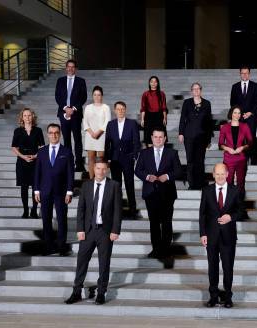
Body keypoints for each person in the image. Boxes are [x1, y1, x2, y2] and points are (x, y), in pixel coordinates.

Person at [65, 159, 122, 305]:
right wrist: (80, 229)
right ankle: (76, 291)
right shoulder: (87, 185)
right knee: (81, 262)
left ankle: (101, 293)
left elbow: (117, 211)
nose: (100, 171)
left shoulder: (114, 186)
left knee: (104, 263)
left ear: (107, 170)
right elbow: (81, 209)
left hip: (105, 231)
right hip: (88, 231)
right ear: (94, 168)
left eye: (103, 169)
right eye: (98, 168)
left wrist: (115, 230)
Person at [199, 163, 243, 308]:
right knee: (212, 267)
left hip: (228, 236)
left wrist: (230, 217)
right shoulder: (206, 190)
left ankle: (228, 296)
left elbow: (240, 211)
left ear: (227, 174)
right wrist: (203, 233)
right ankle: (213, 296)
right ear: (213, 175)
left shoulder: (235, 190)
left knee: (228, 267)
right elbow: (202, 214)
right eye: (217, 174)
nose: (219, 176)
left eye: (222, 173)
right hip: (211, 236)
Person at [135, 127, 182, 260]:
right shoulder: (144, 153)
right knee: (154, 223)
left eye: (161, 137)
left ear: (165, 139)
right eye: (155, 137)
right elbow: (138, 170)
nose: (158, 139)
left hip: (167, 193)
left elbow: (178, 171)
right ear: (151, 138)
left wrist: (167, 176)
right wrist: (147, 176)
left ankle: (166, 250)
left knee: (167, 222)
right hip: (150, 193)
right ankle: (156, 249)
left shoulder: (172, 153)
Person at [34, 123, 74, 256]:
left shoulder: (67, 151)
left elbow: (70, 173)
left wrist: (69, 191)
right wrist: (36, 190)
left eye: (56, 132)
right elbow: (37, 172)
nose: (54, 135)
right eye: (51, 133)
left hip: (61, 192)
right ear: (47, 134)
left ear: (60, 134)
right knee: (46, 219)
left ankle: (62, 246)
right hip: (45, 191)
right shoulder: (42, 151)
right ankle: (48, 246)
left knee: (62, 219)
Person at [104, 101, 142, 217]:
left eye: (122, 109)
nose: (120, 111)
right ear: (115, 111)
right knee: (116, 185)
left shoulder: (132, 124)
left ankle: (132, 209)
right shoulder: (110, 124)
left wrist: (135, 156)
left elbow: (136, 141)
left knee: (129, 184)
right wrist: (107, 158)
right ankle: (117, 210)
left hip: (128, 158)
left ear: (125, 110)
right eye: (118, 109)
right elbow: (107, 143)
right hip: (115, 160)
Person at [11, 108, 44, 218]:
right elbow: (14, 148)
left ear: (33, 116)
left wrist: (35, 156)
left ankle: (34, 210)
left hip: (36, 161)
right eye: (25, 115)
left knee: (35, 187)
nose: (27, 117)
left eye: (29, 115)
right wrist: (23, 157)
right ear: (22, 117)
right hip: (22, 161)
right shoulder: (18, 131)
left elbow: (42, 147)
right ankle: (25, 210)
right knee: (24, 187)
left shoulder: (38, 130)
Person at [54, 59, 87, 172]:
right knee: (66, 139)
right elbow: (57, 96)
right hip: (63, 113)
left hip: (76, 114)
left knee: (77, 139)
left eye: (73, 67)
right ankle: (69, 163)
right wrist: (65, 108)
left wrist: (73, 108)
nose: (70, 68)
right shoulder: (60, 80)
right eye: (69, 66)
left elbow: (83, 97)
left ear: (75, 69)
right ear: (66, 68)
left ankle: (79, 164)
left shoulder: (81, 81)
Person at [178, 82, 213, 189]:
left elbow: (209, 122)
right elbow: (182, 118)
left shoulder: (207, 103)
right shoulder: (187, 103)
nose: (196, 91)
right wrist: (181, 133)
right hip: (189, 136)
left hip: (202, 137)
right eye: (194, 89)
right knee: (190, 160)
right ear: (192, 91)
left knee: (200, 160)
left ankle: (200, 183)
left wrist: (208, 140)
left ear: (201, 90)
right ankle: (191, 183)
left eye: (198, 89)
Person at [230, 66, 257, 164]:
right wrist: (238, 114)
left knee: (251, 137)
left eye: (246, 73)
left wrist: (250, 112)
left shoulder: (255, 86)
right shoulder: (235, 86)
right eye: (242, 73)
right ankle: (242, 158)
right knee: (240, 138)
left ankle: (252, 159)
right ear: (240, 74)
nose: (244, 75)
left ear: (249, 74)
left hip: (251, 117)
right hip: (239, 118)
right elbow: (232, 102)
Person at [219, 106, 253, 196]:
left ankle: (240, 207)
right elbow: (220, 143)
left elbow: (250, 142)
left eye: (239, 113)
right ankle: (229, 205)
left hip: (241, 158)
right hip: (228, 158)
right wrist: (228, 149)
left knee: (241, 183)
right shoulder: (225, 127)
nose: (237, 115)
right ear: (231, 113)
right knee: (228, 182)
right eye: (235, 112)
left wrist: (242, 147)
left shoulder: (245, 126)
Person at [82, 86, 111, 179]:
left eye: (99, 95)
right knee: (91, 159)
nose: (97, 97)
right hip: (90, 135)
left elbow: (107, 122)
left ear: (102, 96)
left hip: (101, 135)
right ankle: (91, 179)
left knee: (101, 159)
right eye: (95, 95)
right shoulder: (88, 107)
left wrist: (98, 132)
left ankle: (101, 179)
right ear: (92, 96)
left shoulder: (106, 107)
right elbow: (85, 121)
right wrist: (91, 133)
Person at [140, 76, 167, 145]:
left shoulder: (162, 94)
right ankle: (150, 154)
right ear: (149, 83)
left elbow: (164, 107)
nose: (153, 83)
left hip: (159, 117)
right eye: (152, 81)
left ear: (157, 83)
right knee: (149, 138)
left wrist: (164, 118)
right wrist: (142, 119)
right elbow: (143, 107)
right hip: (149, 117)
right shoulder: (145, 94)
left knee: (160, 137)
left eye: (155, 82)